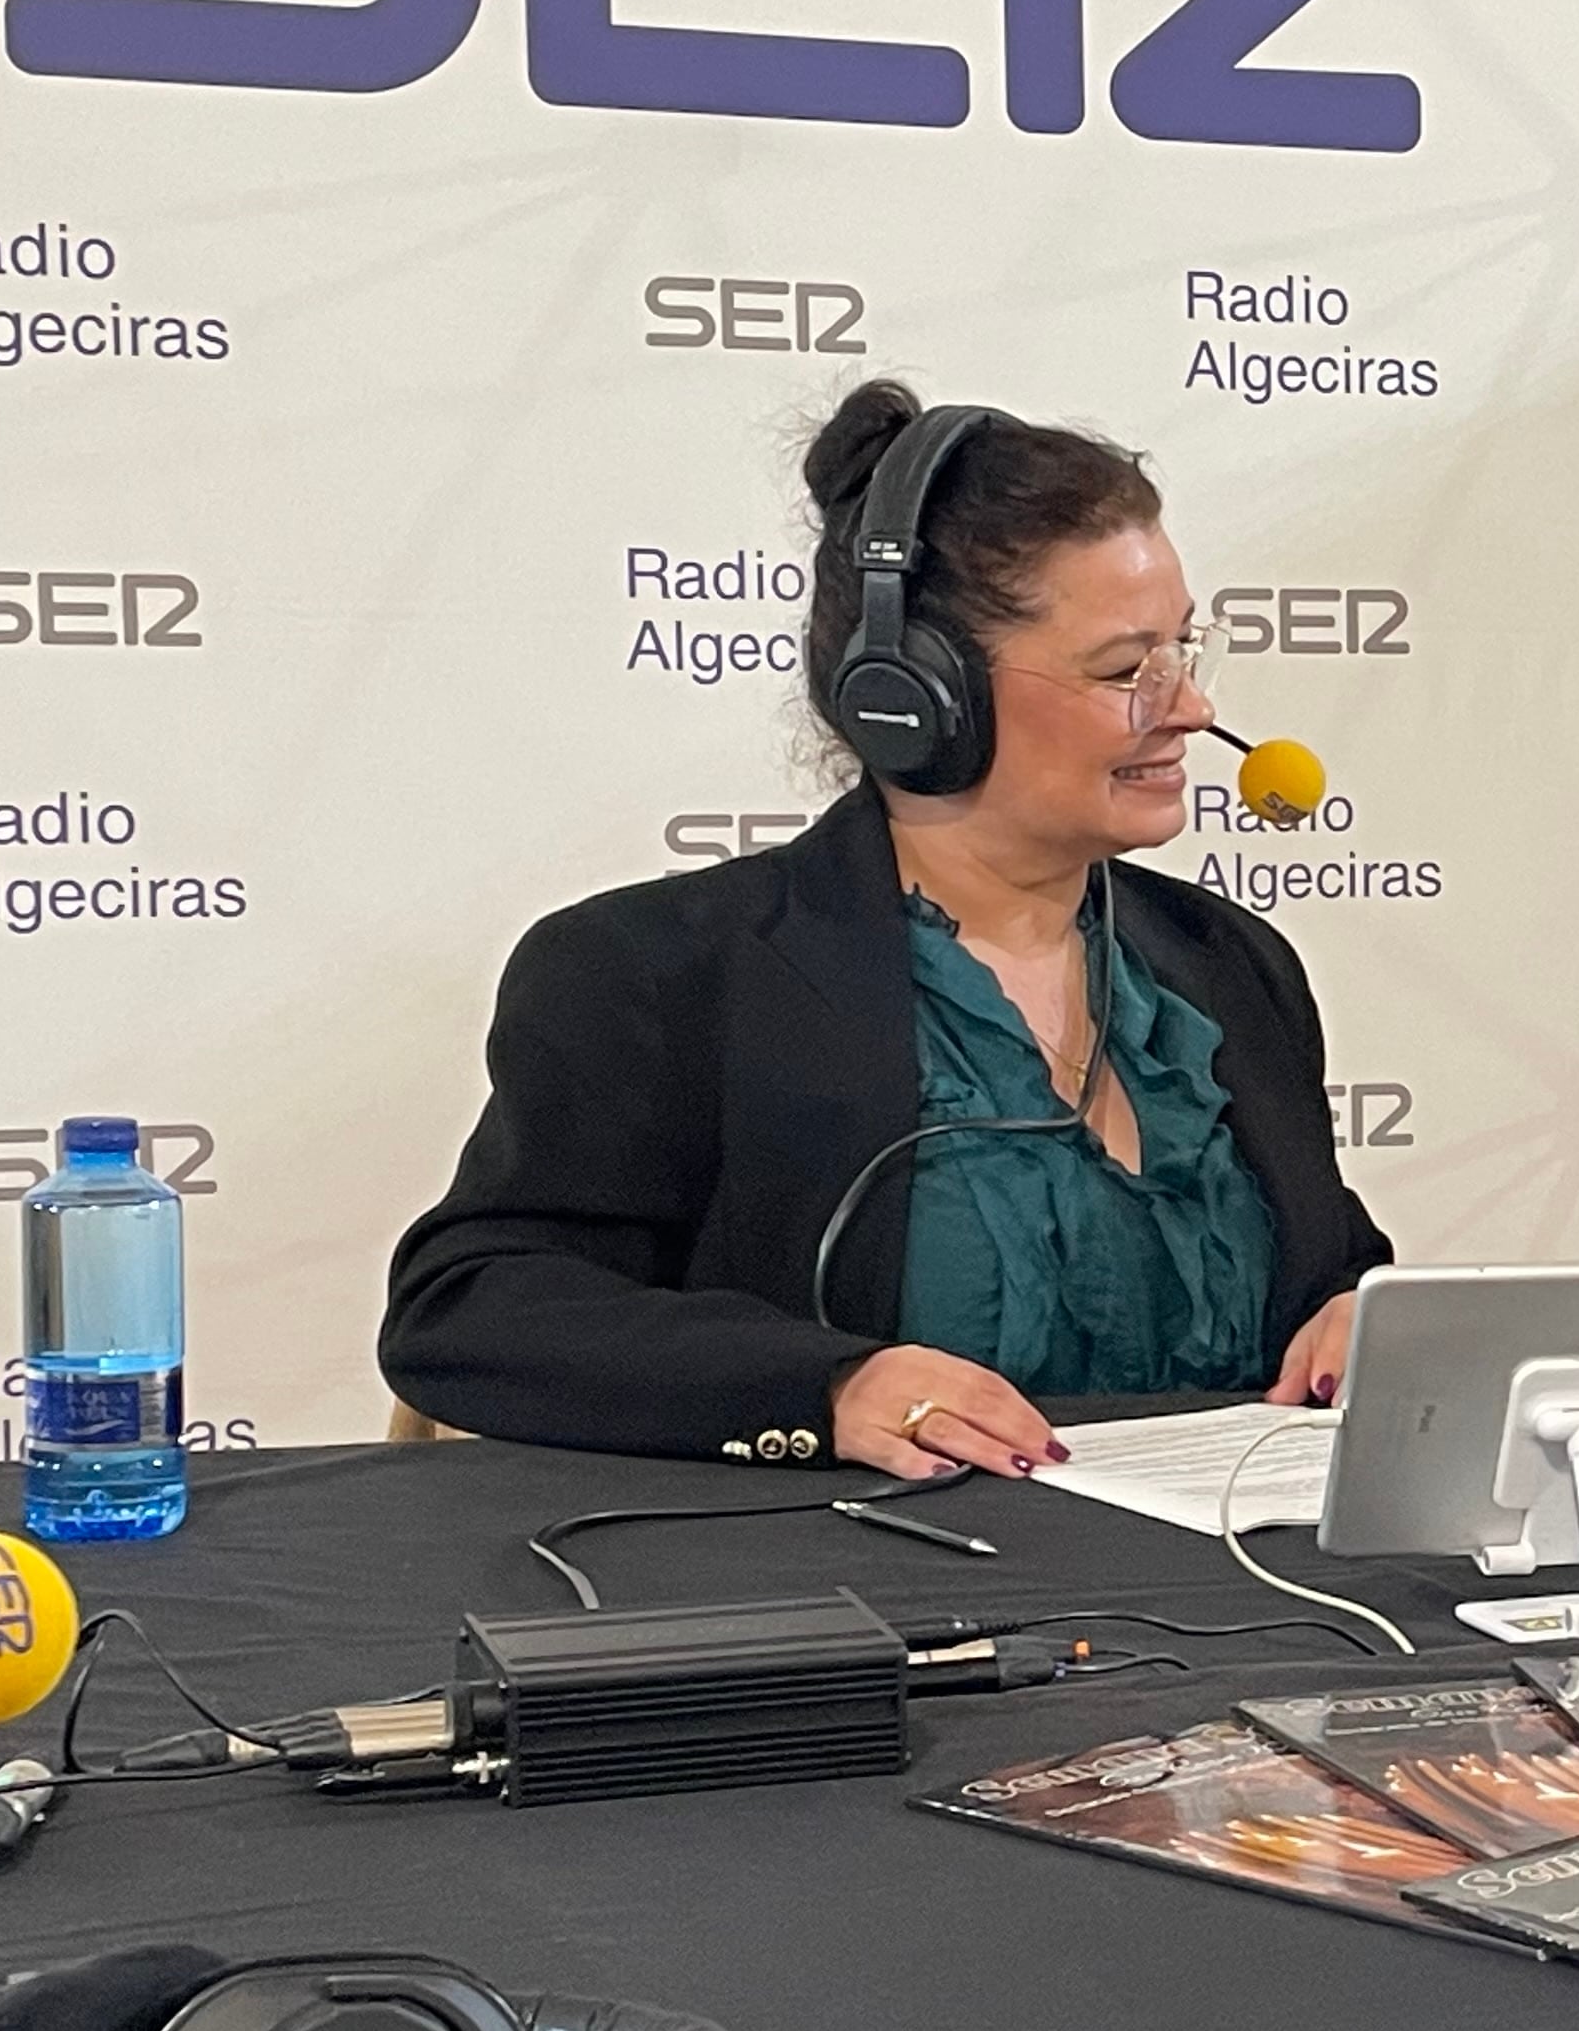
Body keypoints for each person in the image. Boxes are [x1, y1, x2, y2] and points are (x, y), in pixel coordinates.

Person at [383, 385, 1388, 1475]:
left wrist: (1359, 1319)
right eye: (1124, 670)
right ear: (918, 696)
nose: (1189, 708)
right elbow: (474, 1306)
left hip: (1245, 1616)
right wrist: (826, 1388)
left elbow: (1325, 1264)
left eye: (1183, 652)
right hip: (873, 1612)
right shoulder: (657, 971)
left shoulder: (1233, 968)